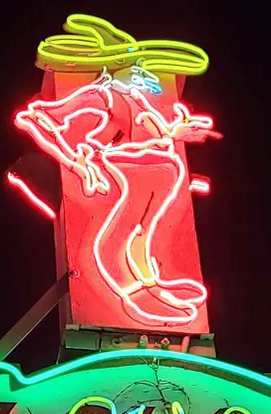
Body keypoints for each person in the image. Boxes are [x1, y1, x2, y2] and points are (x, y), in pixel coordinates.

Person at [15, 64, 220, 326]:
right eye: (136, 72)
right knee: (123, 231)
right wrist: (77, 161)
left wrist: (177, 133)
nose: (145, 79)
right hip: (132, 173)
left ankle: (149, 284)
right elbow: (35, 117)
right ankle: (129, 290)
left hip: (160, 173)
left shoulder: (139, 101)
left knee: (141, 233)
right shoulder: (100, 96)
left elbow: (153, 137)